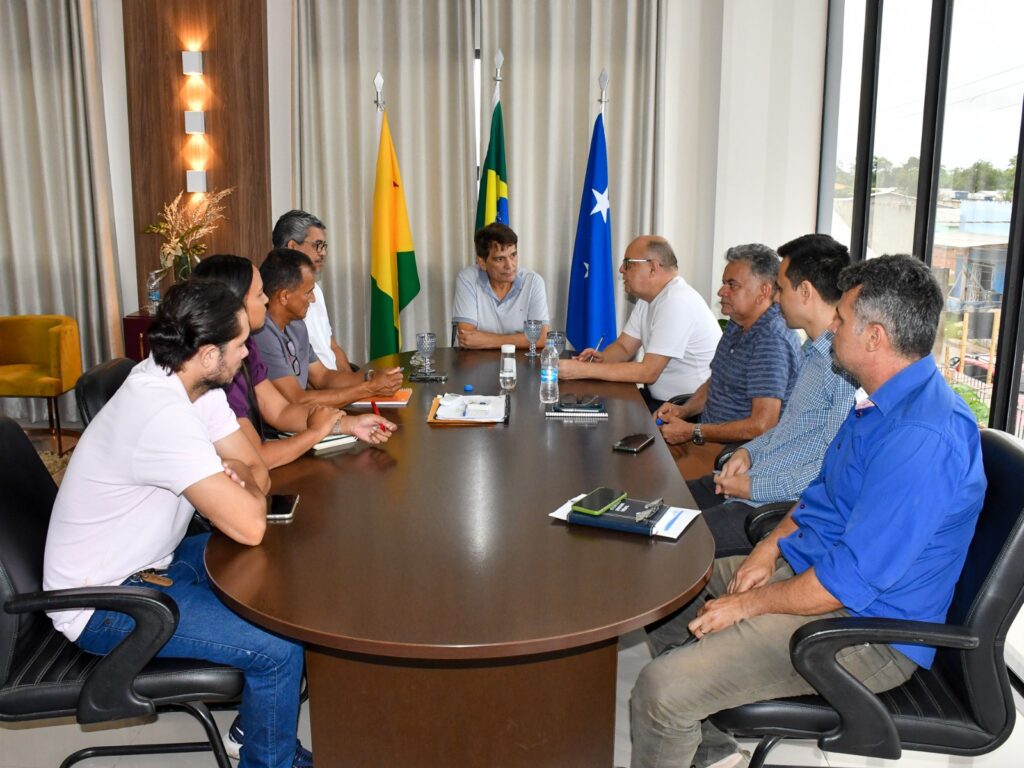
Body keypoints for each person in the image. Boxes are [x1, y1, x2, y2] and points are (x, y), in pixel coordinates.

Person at [629, 254, 987, 768]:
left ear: (875, 337)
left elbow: (850, 581)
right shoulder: (878, 403)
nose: (831, 327)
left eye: (841, 318)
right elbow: (820, 494)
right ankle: (708, 751)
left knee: (660, 690)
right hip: (812, 573)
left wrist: (749, 605)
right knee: (668, 585)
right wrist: (769, 547)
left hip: (864, 630)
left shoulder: (922, 437)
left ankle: (680, 716)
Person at [42, 280, 331, 768]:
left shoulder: (193, 384)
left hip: (155, 560)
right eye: (239, 345)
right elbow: (248, 524)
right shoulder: (159, 411)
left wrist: (238, 481)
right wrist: (237, 484)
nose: (247, 352)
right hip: (104, 601)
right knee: (277, 643)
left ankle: (258, 730)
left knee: (287, 562)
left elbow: (255, 469)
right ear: (206, 353)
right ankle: (270, 762)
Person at [687, 235, 857, 555]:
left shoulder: (846, 369)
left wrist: (752, 485)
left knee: (676, 542)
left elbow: (827, 469)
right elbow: (785, 428)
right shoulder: (812, 352)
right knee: (668, 502)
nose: (775, 299)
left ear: (805, 292)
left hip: (774, 505)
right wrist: (748, 453)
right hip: (754, 478)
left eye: (780, 288)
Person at [193, 255, 396, 469]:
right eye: (260, 294)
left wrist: (350, 424)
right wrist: (316, 432)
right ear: (233, 305)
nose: (266, 300)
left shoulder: (247, 347)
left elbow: (281, 411)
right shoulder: (213, 370)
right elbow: (258, 459)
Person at [655, 243, 800, 445]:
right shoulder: (737, 323)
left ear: (763, 291)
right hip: (704, 441)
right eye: (724, 283)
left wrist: (693, 431)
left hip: (731, 456)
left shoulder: (771, 340)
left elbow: (762, 425)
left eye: (733, 285)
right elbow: (717, 382)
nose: (721, 291)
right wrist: (684, 410)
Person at [558, 236, 721, 411]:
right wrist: (602, 359)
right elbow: (624, 348)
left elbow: (648, 372)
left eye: (628, 263)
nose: (621, 269)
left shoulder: (677, 301)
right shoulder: (649, 298)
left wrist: (582, 371)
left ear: (652, 267)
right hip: (659, 400)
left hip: (686, 410)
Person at [252, 248, 403, 407]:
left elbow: (323, 377)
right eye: (308, 292)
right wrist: (370, 388)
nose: (313, 298)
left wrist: (371, 377)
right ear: (284, 296)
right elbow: (297, 401)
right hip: (284, 429)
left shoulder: (297, 326)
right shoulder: (262, 334)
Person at [273, 208, 350, 371]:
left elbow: (333, 346)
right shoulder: (277, 298)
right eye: (318, 245)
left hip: (334, 383)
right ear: (292, 246)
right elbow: (302, 373)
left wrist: (354, 385)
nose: (323, 253)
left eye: (325, 246)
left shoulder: (316, 289)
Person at [453, 222, 551, 349]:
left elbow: (541, 338)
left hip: (520, 364)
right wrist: (522, 339)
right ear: (482, 262)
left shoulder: (533, 281)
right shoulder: (468, 278)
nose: (510, 266)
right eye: (500, 259)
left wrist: (488, 340)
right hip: (474, 363)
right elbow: (467, 338)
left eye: (513, 255)